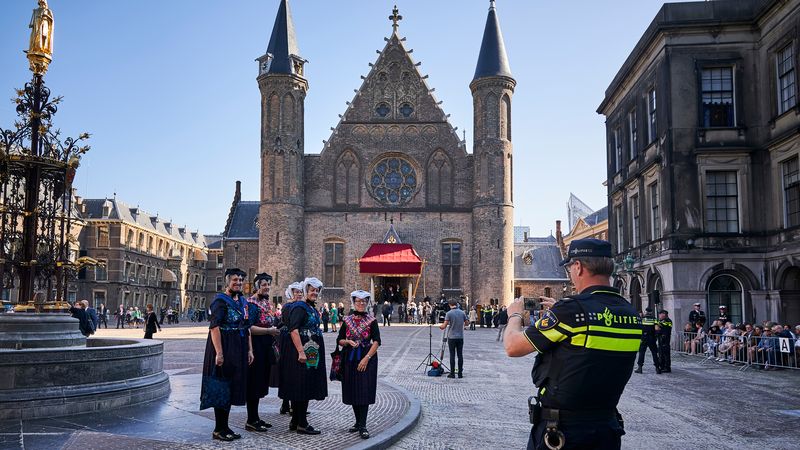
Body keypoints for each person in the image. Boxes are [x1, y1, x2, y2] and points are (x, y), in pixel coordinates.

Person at [503, 238, 642, 450]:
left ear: (578, 266)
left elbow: (513, 346)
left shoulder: (571, 311)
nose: (570, 274)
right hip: (606, 429)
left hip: (564, 432)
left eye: (569, 267)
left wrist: (514, 315)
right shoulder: (631, 313)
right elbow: (590, 348)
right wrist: (561, 310)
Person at [200, 268, 254, 442]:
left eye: (240, 280)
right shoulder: (220, 302)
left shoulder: (243, 302)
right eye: (235, 280)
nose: (238, 283)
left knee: (231, 386)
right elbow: (214, 327)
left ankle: (225, 426)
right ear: (227, 282)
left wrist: (249, 350)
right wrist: (219, 353)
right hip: (224, 346)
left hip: (238, 347)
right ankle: (219, 428)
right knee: (221, 386)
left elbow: (247, 327)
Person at [278, 277, 328, 435]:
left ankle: (295, 421)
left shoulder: (309, 306)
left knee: (304, 384)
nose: (314, 292)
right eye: (312, 290)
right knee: (302, 385)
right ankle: (302, 423)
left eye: (317, 290)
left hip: (311, 351)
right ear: (306, 290)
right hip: (302, 352)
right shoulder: (300, 307)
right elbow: (293, 329)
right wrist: (300, 351)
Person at [338, 290, 381, 439]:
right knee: (353, 389)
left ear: (367, 303)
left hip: (366, 358)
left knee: (363, 390)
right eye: (358, 301)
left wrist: (367, 358)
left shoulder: (372, 320)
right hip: (350, 357)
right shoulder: (347, 320)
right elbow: (340, 340)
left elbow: (377, 341)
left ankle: (363, 425)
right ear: (354, 302)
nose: (361, 303)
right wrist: (347, 342)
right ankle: (357, 422)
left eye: (364, 301)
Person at [245, 273, 280, 433]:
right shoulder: (251, 304)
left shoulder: (266, 302)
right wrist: (269, 331)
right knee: (254, 383)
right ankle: (251, 419)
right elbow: (249, 328)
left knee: (261, 383)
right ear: (257, 286)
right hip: (257, 347)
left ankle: (256, 417)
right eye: (264, 284)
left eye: (268, 285)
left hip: (265, 346)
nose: (266, 287)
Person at [277, 282, 304, 416]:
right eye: (296, 292)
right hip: (288, 341)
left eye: (300, 292)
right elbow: (292, 326)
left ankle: (287, 405)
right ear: (291, 293)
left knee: (291, 373)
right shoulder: (289, 306)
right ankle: (290, 405)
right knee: (290, 372)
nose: (299, 294)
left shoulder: (297, 305)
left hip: (291, 339)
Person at [439, 298, 468, 378]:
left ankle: (452, 373)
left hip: (451, 337)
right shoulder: (462, 313)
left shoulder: (449, 313)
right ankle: (460, 373)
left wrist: (440, 327)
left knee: (452, 355)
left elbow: (444, 326)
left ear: (449, 305)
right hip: (460, 337)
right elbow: (467, 323)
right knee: (460, 355)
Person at [635, 306, 661, 374]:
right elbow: (657, 329)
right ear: (651, 312)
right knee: (654, 353)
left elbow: (639, 328)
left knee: (641, 352)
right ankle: (657, 368)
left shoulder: (642, 319)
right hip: (652, 338)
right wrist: (656, 336)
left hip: (644, 337)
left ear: (645, 312)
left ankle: (640, 368)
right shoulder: (654, 319)